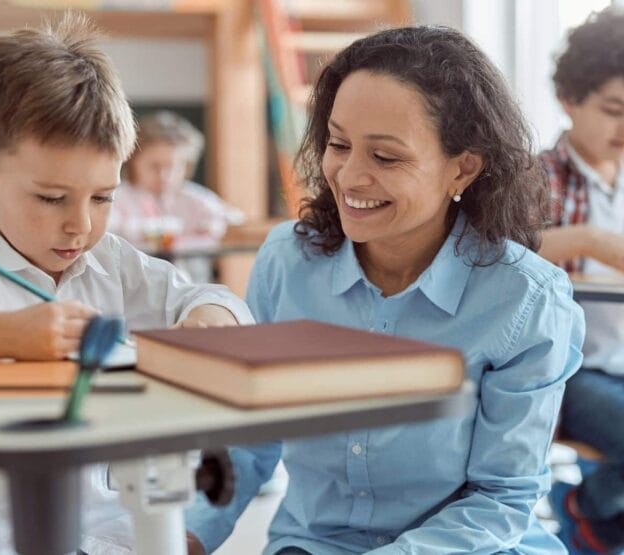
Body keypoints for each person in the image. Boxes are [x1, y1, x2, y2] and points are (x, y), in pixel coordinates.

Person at [0, 13, 252, 555]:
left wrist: (210, 320)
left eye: (103, 197)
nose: (81, 225)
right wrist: (2, 335)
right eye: (51, 198)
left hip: (109, 533)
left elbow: (211, 298)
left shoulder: (112, 262)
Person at [185, 25, 585, 555]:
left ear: (462, 168)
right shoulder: (288, 262)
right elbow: (245, 441)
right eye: (339, 144)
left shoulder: (527, 300)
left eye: (386, 157)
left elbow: (501, 496)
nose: (349, 176)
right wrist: (182, 536)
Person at [538, 7, 624, 554]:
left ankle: (591, 513)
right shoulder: (538, 177)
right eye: (614, 110)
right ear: (570, 99)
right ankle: (589, 510)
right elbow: (494, 254)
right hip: (575, 372)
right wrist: (589, 240)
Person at [108, 110, 244, 282]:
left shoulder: (194, 197)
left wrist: (213, 227)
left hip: (192, 287)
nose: (163, 175)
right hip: (132, 287)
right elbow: (110, 230)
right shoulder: (118, 196)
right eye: (154, 166)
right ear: (133, 161)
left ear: (186, 166)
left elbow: (234, 221)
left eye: (172, 167)